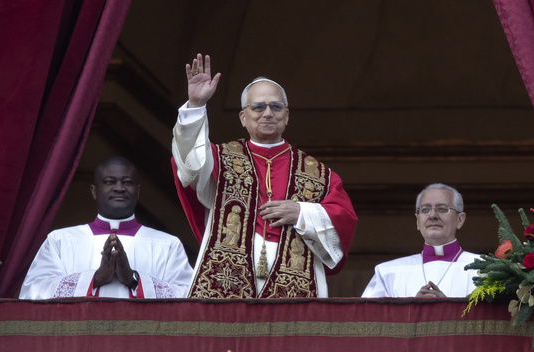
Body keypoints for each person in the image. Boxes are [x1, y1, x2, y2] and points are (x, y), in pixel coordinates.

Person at [171, 53, 357, 298]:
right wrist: (195, 106)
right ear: (243, 117)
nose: (267, 113)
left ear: (287, 116)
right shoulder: (218, 157)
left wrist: (301, 212)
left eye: (276, 106)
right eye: (258, 107)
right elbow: (189, 165)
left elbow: (344, 220)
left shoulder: (319, 174)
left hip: (296, 279)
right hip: (226, 275)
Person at [20, 156, 194, 299]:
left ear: (138, 191)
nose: (119, 188)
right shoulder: (60, 241)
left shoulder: (168, 245)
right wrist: (94, 278)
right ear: (94, 191)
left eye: (127, 182)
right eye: (110, 182)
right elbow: (33, 292)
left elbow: (189, 296)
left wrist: (134, 279)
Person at [362, 183, 478, 298]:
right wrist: (413, 309)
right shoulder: (387, 273)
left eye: (442, 209)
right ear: (417, 221)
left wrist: (447, 308)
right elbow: (368, 315)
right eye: (425, 209)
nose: (432, 215)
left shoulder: (484, 271)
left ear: (459, 220)